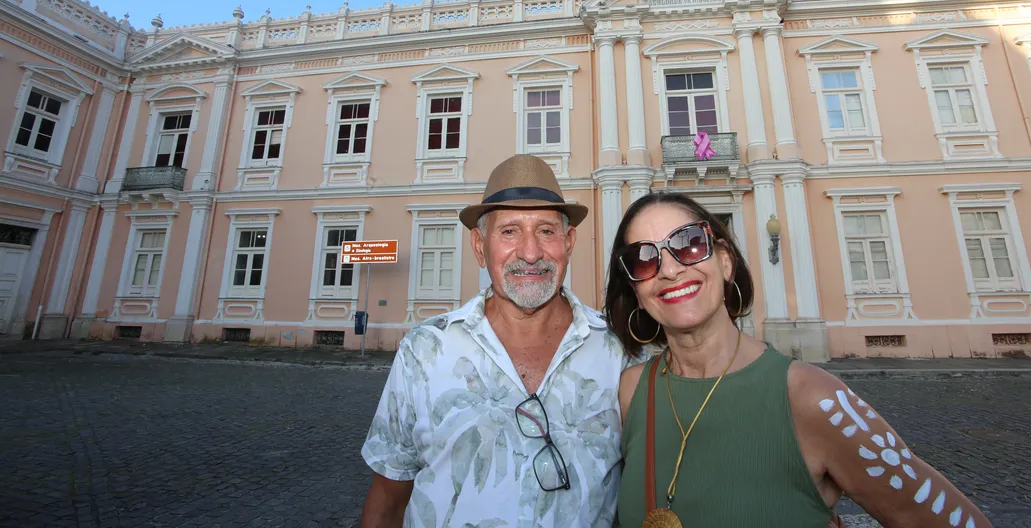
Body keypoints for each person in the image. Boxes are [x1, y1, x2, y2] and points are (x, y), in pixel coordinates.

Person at [607, 191, 991, 528]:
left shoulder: (811, 397)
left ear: (724, 262)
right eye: (644, 259)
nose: (670, 269)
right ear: (636, 289)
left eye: (688, 243)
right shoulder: (631, 391)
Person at [360, 155, 636, 528]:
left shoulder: (619, 351)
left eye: (546, 231)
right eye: (509, 231)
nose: (530, 252)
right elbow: (389, 495)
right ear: (479, 246)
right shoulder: (425, 351)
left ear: (569, 242)